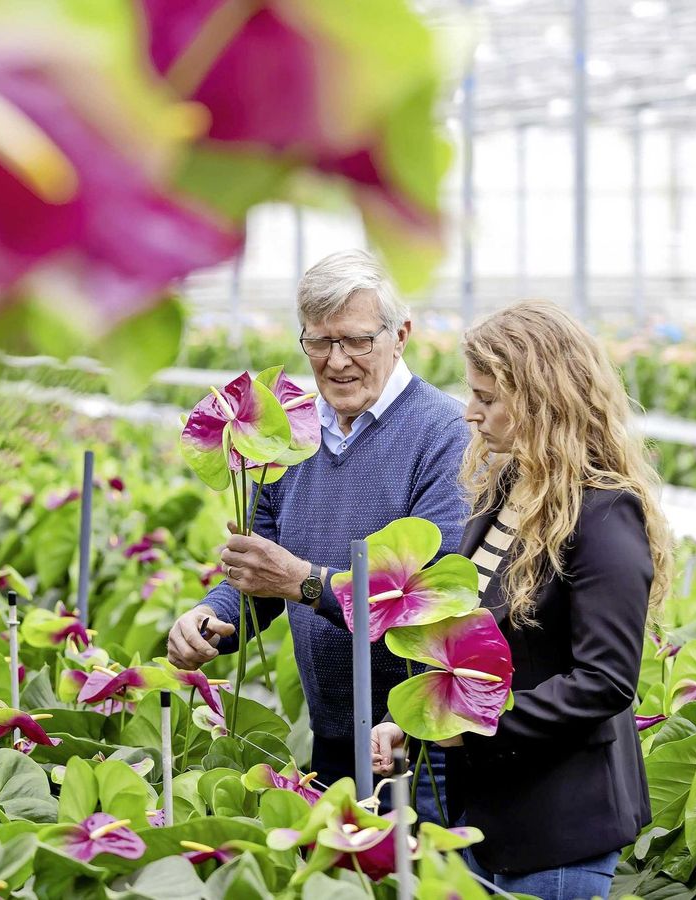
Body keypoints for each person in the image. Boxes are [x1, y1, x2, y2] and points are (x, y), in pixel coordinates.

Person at [372, 300, 670, 900]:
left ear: (541, 399)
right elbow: (479, 649)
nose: (471, 413)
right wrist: (418, 721)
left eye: (487, 397)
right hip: (489, 815)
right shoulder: (508, 490)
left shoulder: (605, 514)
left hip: (560, 826)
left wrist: (472, 725)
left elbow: (605, 681)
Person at [166, 248, 469, 821]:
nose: (337, 361)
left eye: (357, 341)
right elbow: (261, 569)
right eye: (320, 342)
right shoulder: (292, 433)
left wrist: (303, 582)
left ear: (400, 335)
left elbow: (430, 598)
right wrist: (212, 616)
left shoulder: (444, 435)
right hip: (332, 736)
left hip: (418, 745)